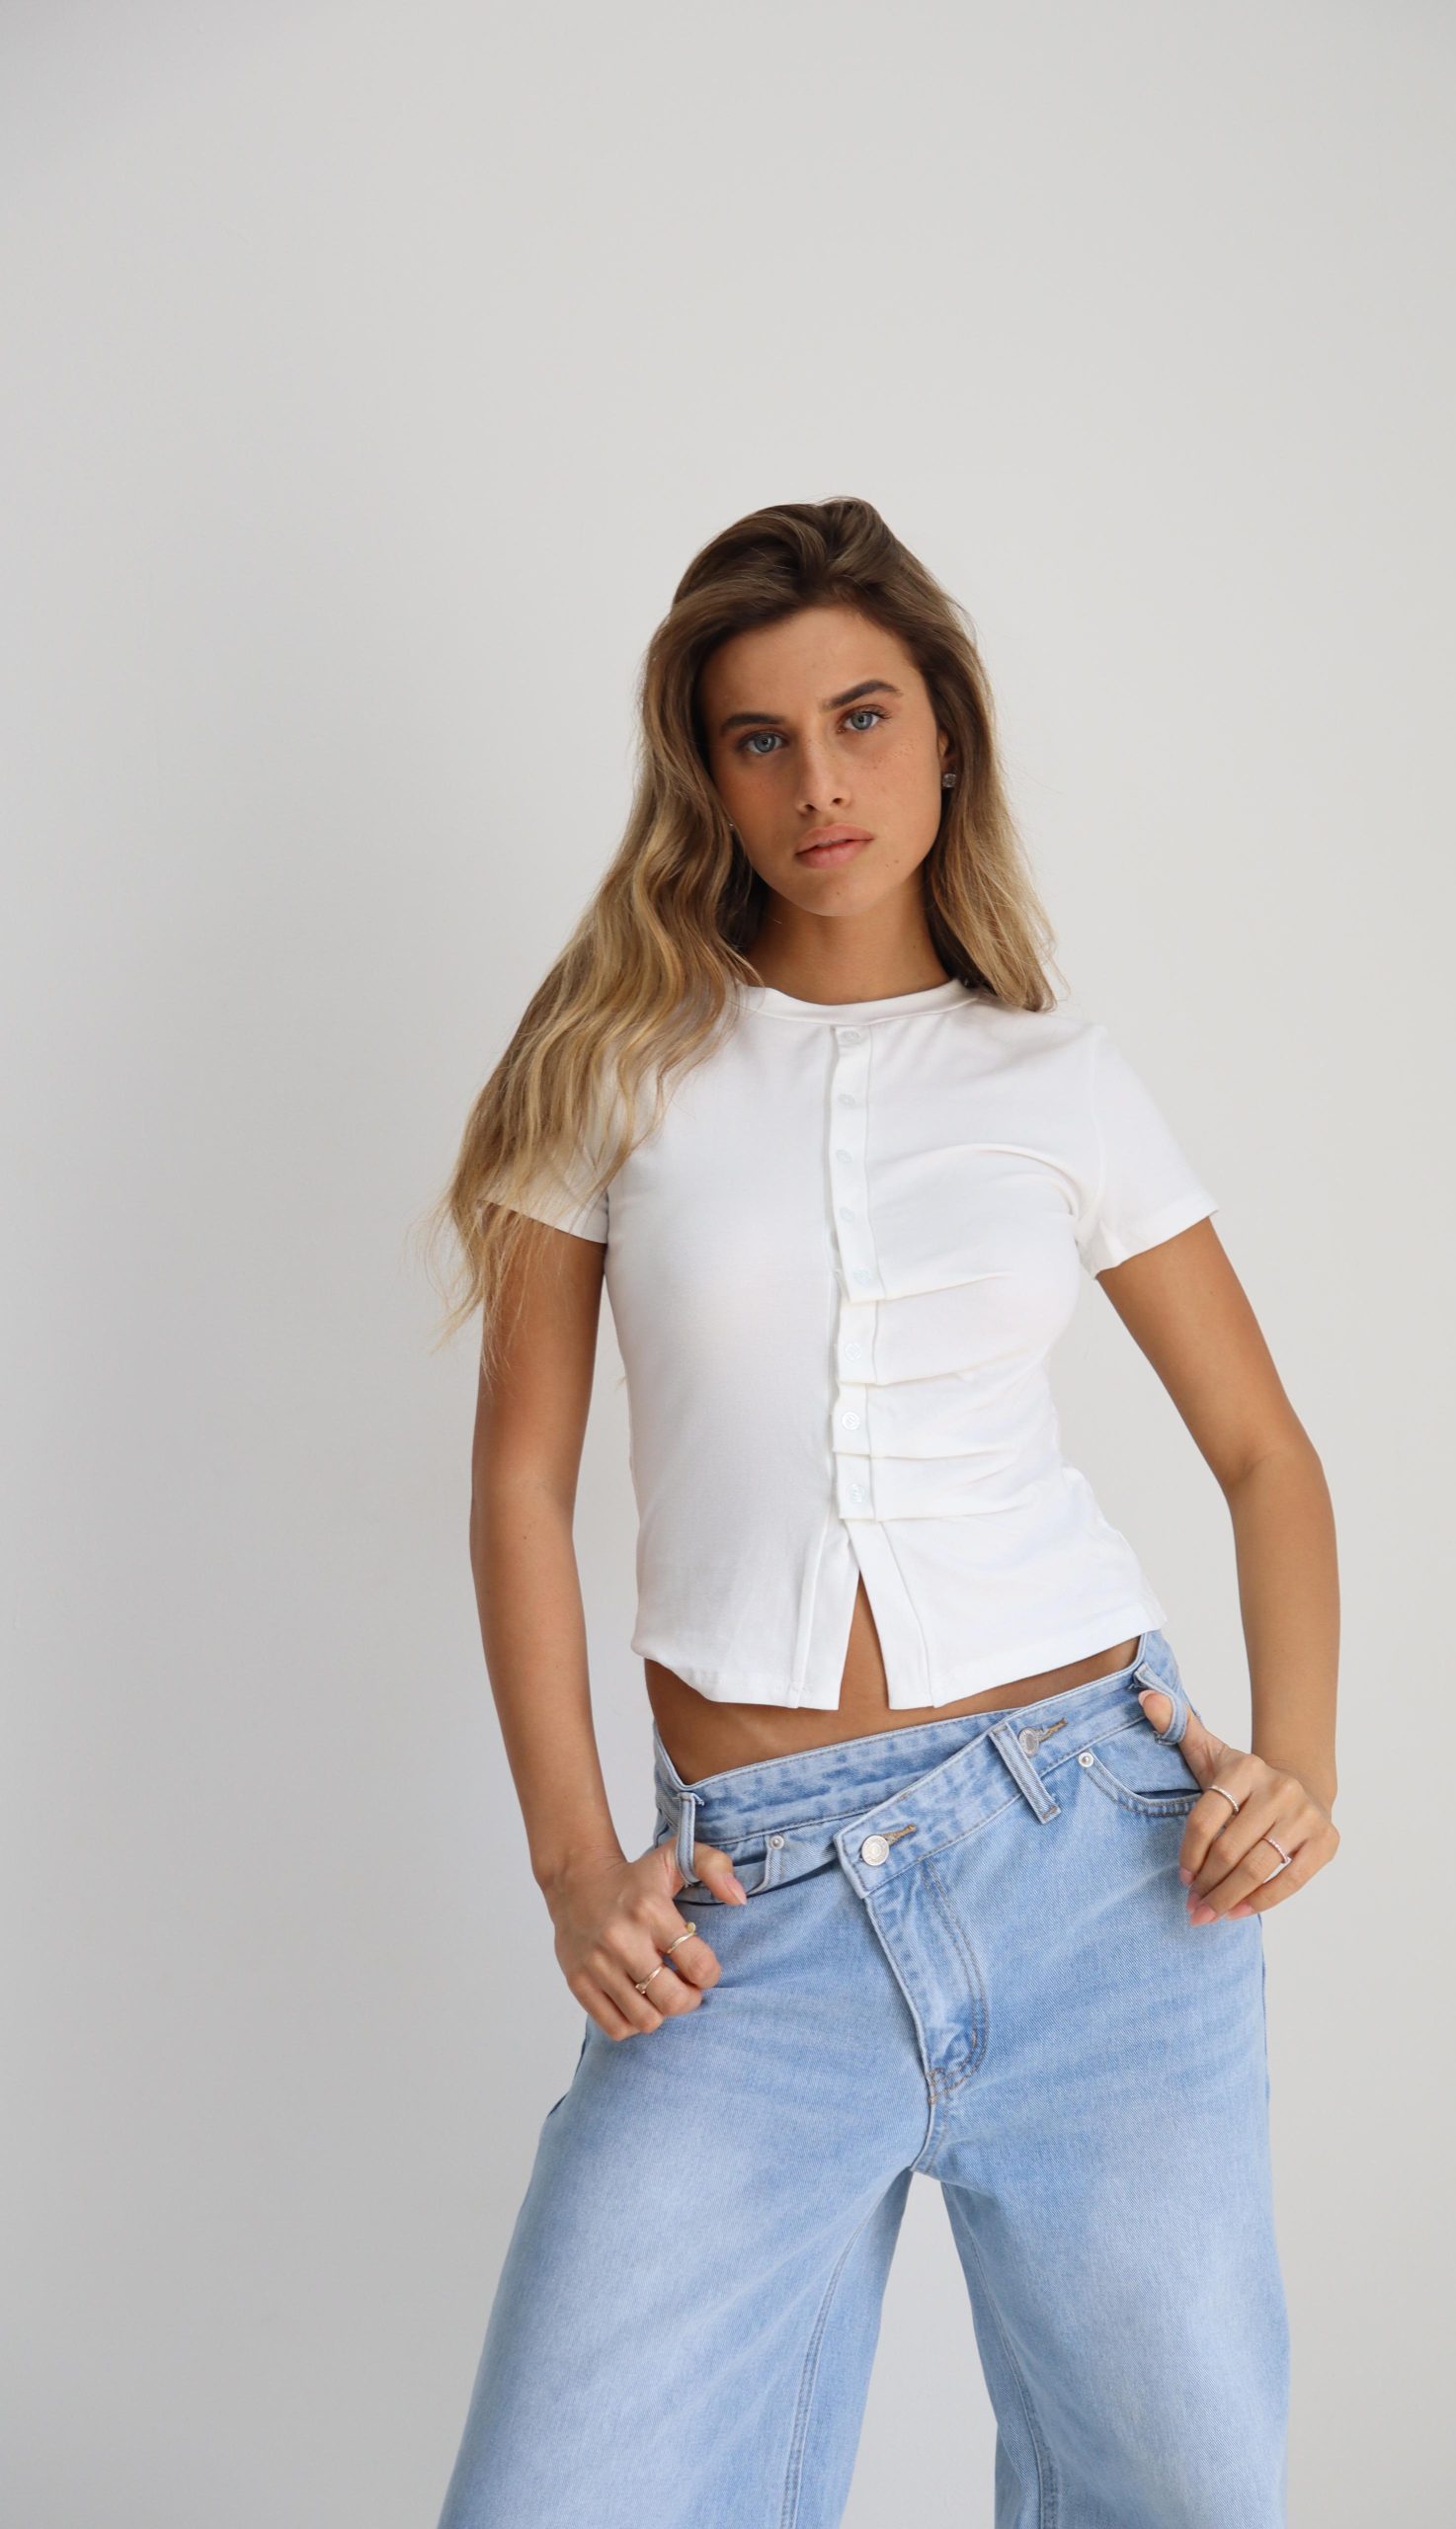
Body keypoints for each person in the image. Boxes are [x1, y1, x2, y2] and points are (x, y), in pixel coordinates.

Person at [427, 497, 1339, 2528]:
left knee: (1180, 2496)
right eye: (758, 738)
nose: (817, 783)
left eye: (861, 718)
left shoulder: (1057, 1077)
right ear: (705, 774)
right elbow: (516, 1477)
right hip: (746, 1916)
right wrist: (575, 1866)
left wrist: (1304, 1760)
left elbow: (1265, 1452)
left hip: (1103, 1865)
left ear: (944, 735)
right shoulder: (610, 1066)